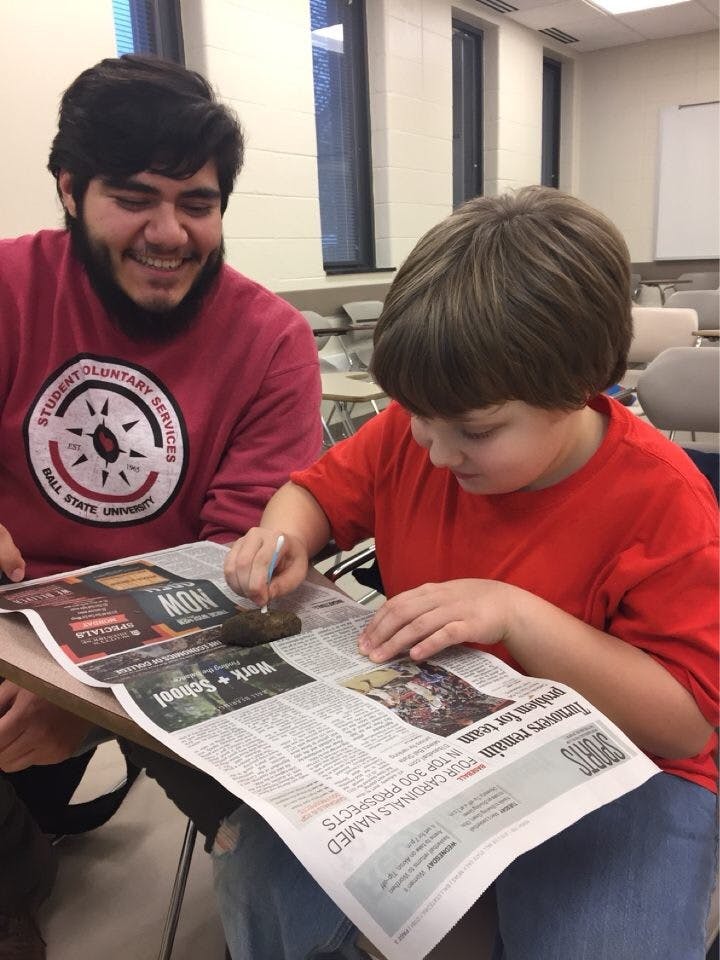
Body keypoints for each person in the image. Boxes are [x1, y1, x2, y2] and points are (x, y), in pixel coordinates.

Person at [217, 187, 718, 960]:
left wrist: (516, 614)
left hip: (628, 762)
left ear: (577, 389)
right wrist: (282, 540)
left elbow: (683, 721)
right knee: (264, 875)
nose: (436, 450)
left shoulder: (663, 499)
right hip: (439, 737)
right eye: (414, 414)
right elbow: (312, 494)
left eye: (475, 432)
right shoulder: (416, 431)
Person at [0, 55, 321, 958]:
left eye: (198, 204)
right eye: (134, 198)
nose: (170, 233)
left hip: (162, 639)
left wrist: (85, 699)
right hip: (13, 621)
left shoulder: (271, 341)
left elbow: (234, 568)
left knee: (300, 849)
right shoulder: (9, 287)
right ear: (70, 191)